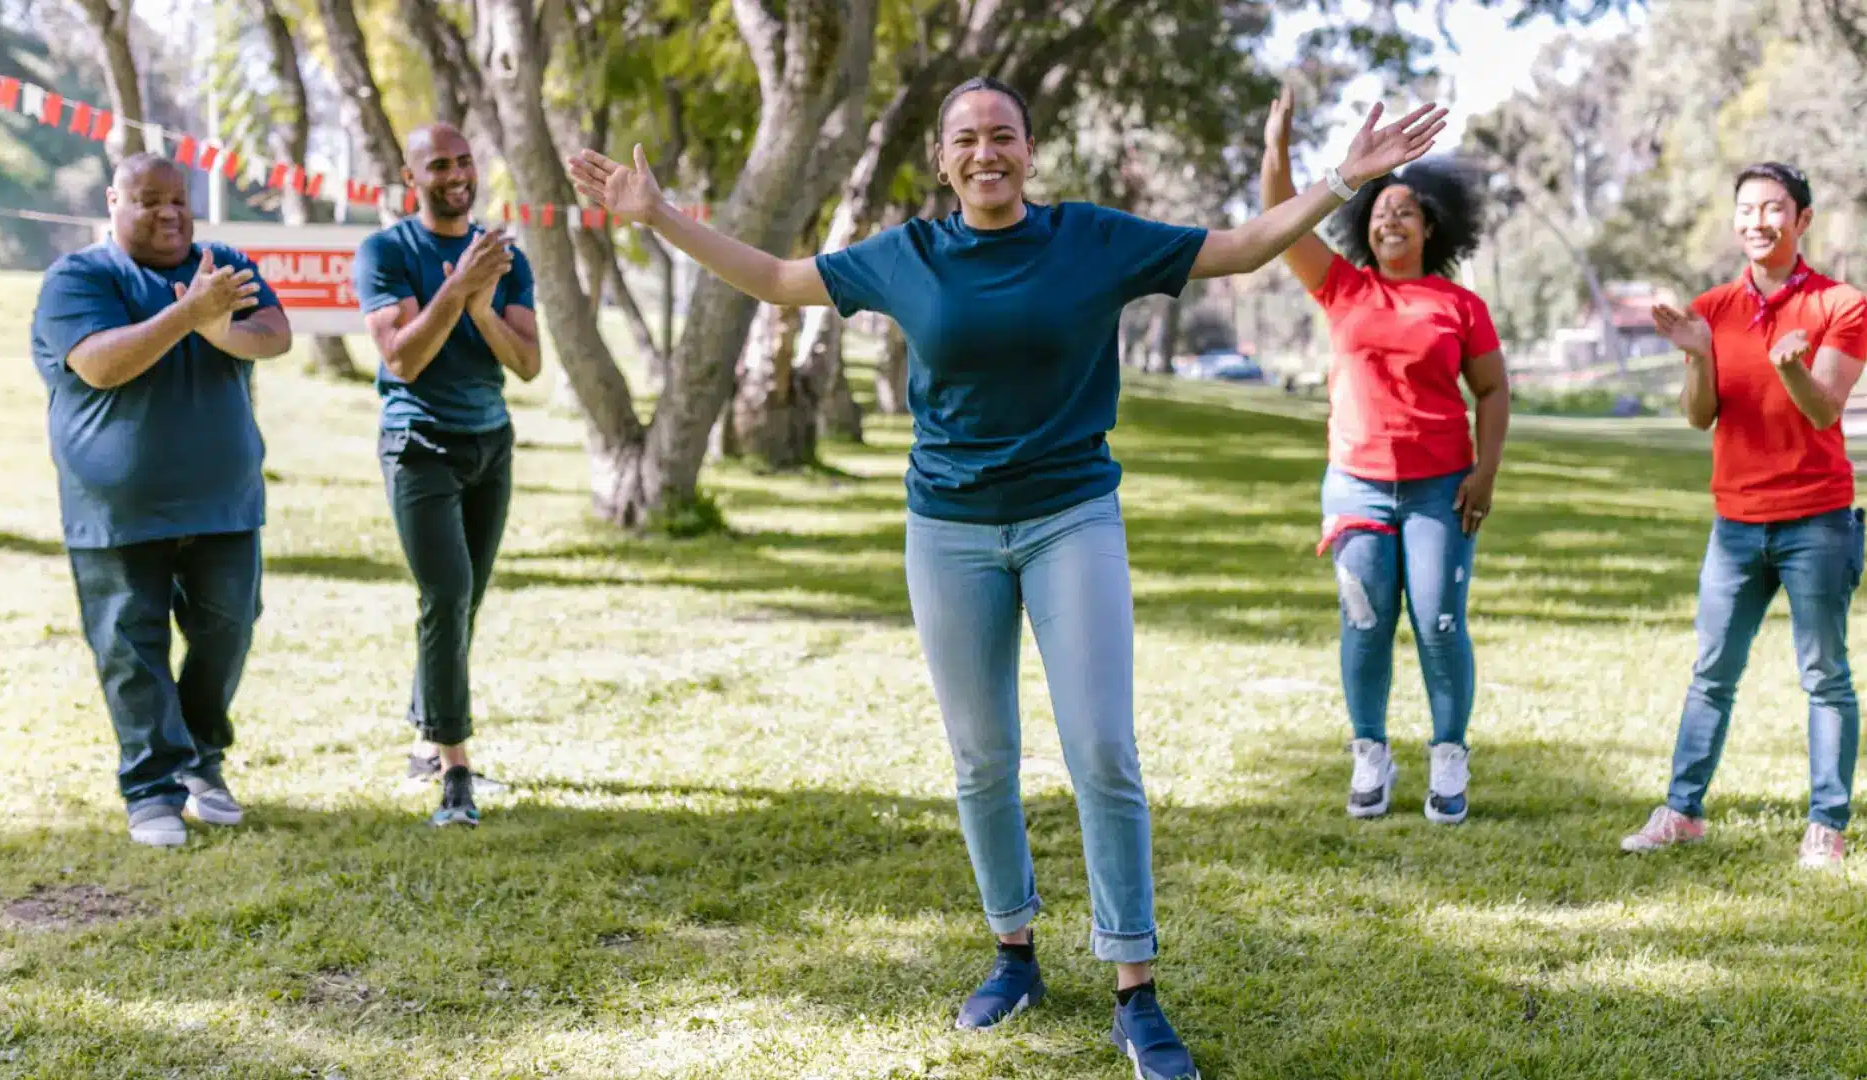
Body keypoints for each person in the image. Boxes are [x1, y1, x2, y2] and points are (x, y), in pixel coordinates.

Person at [568, 76, 1444, 1079]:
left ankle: (1136, 990)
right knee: (982, 758)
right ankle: (1013, 953)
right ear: (943, 160)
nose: (986, 152)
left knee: (1102, 748)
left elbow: (1241, 248)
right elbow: (773, 277)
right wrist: (659, 215)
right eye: (966, 139)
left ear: (1030, 151)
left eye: (1003, 136)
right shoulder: (908, 255)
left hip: (1072, 516)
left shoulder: (1091, 239)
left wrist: (1343, 179)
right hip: (949, 530)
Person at [1260, 85, 1509, 825]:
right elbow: (1278, 217)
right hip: (1357, 489)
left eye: (1405, 210)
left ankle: (1449, 753)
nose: (1390, 219)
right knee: (1365, 625)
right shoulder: (1341, 286)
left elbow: (1492, 391)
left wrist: (1485, 473)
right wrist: (1277, 149)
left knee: (1438, 623)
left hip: (1440, 489)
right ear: (1362, 227)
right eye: (1379, 211)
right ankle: (1370, 752)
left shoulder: (1460, 307)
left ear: (1431, 227)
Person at [29, 153, 292, 847]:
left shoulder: (221, 264)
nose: (170, 214)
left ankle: (201, 758)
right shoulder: (79, 278)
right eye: (150, 201)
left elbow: (275, 334)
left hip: (223, 500)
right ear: (113, 201)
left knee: (228, 627)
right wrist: (190, 314)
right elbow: (100, 363)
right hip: (117, 510)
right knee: (131, 645)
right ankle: (151, 788)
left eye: (179, 200)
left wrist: (219, 327)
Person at [1622, 162, 1867, 870]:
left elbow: (1823, 409)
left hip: (1817, 522)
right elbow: (1698, 415)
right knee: (1711, 673)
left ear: (1803, 219)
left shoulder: (1842, 304)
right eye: (1747, 208)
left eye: (1774, 208)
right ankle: (1682, 812)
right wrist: (1700, 355)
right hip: (1734, 525)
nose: (1758, 221)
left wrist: (1791, 367)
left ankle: (1826, 824)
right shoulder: (1712, 307)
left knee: (1824, 675)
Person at [353, 123, 542, 829]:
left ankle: (425, 741)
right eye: (439, 165)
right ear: (411, 177)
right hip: (418, 443)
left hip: (490, 443)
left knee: (462, 603)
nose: (457, 175)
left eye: (464, 162)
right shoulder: (386, 252)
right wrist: (457, 287)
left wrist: (482, 307)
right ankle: (456, 771)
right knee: (447, 593)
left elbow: (527, 363)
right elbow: (403, 358)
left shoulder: (503, 257)